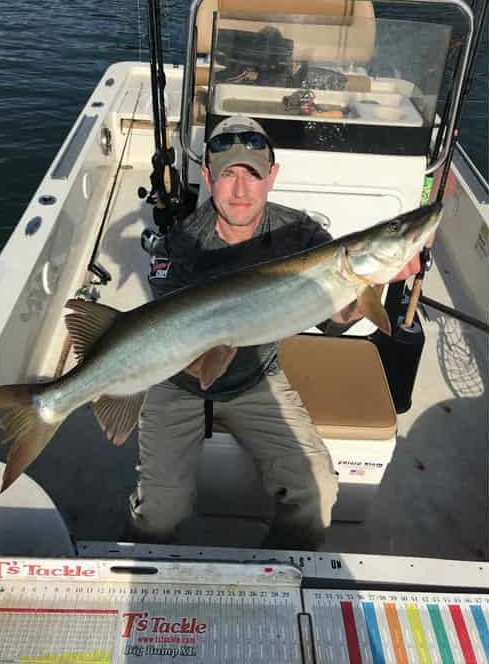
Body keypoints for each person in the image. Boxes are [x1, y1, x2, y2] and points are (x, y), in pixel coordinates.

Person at [126, 115, 418, 549]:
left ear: (272, 176)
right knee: (159, 513)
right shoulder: (181, 244)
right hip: (178, 381)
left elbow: (333, 321)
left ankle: (280, 567)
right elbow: (176, 347)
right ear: (208, 176)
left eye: (253, 175)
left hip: (257, 378)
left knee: (317, 493)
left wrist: (369, 289)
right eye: (228, 174)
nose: (241, 190)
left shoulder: (300, 235)